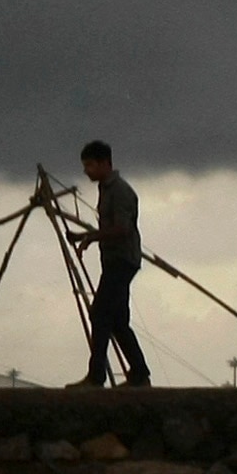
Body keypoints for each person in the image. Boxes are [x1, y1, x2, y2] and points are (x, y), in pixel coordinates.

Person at [67, 140, 150, 387]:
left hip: (122, 261)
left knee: (100, 313)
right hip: (115, 261)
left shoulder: (120, 191)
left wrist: (89, 237)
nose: (87, 171)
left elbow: (122, 229)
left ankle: (96, 376)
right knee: (117, 320)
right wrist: (86, 238)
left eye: (90, 165)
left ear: (105, 163)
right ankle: (139, 374)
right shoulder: (106, 189)